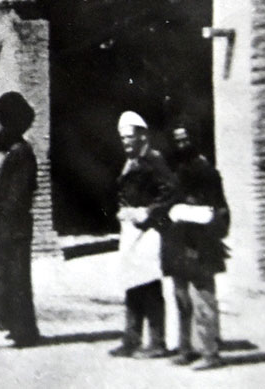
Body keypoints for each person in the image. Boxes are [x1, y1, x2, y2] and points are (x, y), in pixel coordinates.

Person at [109, 110, 177, 359]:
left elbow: (170, 191)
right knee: (131, 282)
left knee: (148, 283)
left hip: (149, 231)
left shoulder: (153, 159)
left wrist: (148, 212)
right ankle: (131, 338)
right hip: (130, 228)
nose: (125, 142)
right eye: (122, 138)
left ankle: (157, 342)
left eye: (129, 137)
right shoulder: (130, 161)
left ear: (142, 136)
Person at [162, 124, 229, 370]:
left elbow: (219, 209)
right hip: (178, 240)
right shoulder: (175, 170)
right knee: (181, 297)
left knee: (202, 296)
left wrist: (199, 219)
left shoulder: (206, 171)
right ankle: (186, 348)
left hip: (200, 241)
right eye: (177, 139)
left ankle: (210, 352)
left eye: (186, 139)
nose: (181, 144)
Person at [0, 91, 41, 348]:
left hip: (13, 228)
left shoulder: (21, 154)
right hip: (7, 226)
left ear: (11, 125)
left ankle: (24, 331)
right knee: (9, 276)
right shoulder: (14, 153)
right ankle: (17, 328)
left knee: (16, 278)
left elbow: (16, 198)